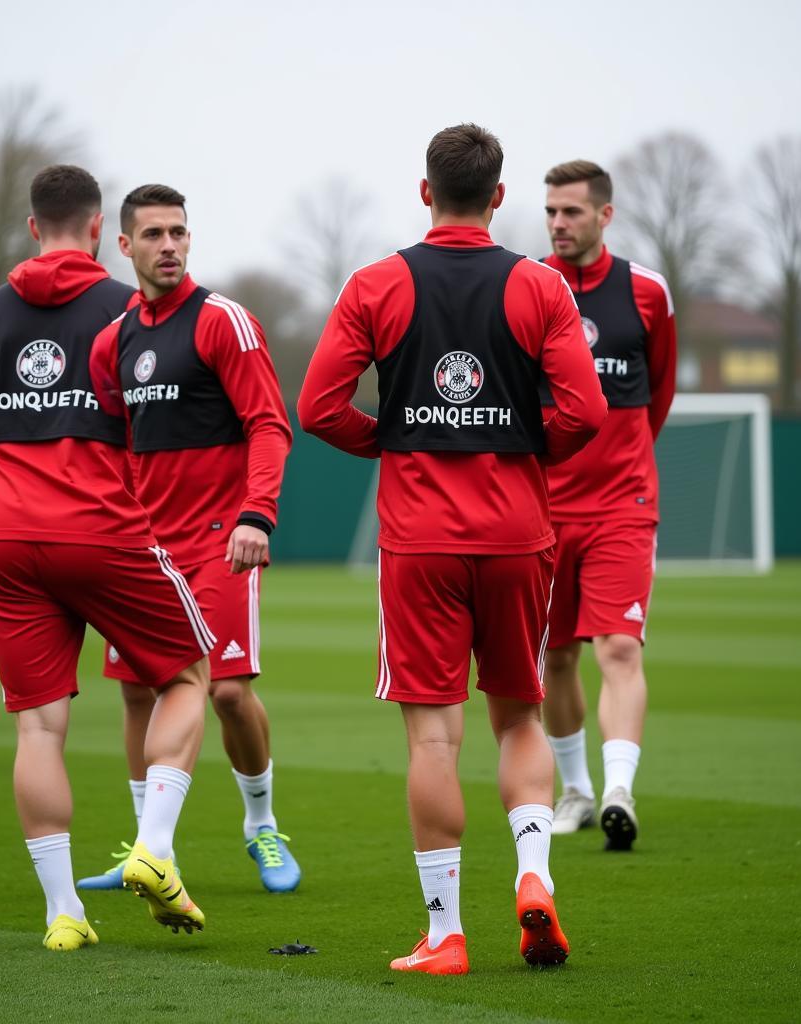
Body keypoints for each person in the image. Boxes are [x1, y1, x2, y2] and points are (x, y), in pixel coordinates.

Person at [298, 124, 607, 973]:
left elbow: (318, 407)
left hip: (418, 542)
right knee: (520, 716)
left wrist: (393, 440)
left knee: (434, 741)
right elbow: (584, 414)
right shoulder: (540, 286)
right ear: (501, 197)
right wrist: (518, 440)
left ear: (424, 191)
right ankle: (535, 878)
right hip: (518, 536)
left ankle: (445, 934)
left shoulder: (377, 282)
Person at [0, 165, 214, 952]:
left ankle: (64, 913)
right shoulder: (125, 309)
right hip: (102, 529)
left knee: (39, 730)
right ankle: (154, 849)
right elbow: (146, 423)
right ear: (100, 229)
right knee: (190, 675)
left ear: (33, 227)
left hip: (1, 537)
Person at [84, 183, 299, 894]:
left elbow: (270, 424)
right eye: (153, 235)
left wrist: (255, 515)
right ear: (124, 246)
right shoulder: (112, 340)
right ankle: (152, 847)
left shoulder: (222, 322)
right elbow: (113, 450)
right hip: (144, 549)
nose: (169, 245)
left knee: (229, 693)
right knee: (138, 695)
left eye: (178, 232)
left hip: (219, 541)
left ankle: (261, 827)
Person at [539, 161, 677, 852]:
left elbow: (660, 392)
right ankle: (576, 792)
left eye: (571, 212)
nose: (559, 224)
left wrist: (623, 465)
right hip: (540, 508)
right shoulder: (526, 286)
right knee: (553, 657)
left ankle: (619, 787)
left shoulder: (648, 291)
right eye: (552, 212)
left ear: (605, 215)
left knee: (619, 645)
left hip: (623, 502)